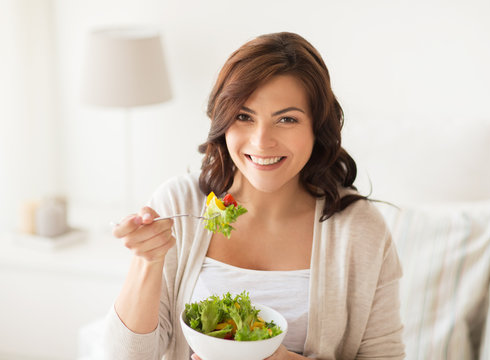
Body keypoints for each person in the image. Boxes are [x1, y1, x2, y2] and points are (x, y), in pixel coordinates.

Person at [103, 32, 405, 360]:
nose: (261, 142)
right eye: (244, 117)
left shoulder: (360, 230)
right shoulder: (179, 204)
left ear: (316, 128)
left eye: (286, 119)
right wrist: (148, 261)